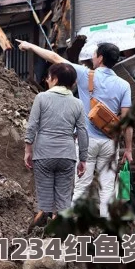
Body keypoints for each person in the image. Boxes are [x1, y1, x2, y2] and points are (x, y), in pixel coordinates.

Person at [17, 40, 133, 219]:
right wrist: (129, 149)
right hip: (111, 142)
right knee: (108, 187)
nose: (92, 57)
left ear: (100, 58)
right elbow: (126, 120)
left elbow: (55, 58)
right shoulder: (124, 85)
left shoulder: (86, 75)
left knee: (81, 186)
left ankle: (74, 231)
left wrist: (30, 46)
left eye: (94, 54)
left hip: (87, 141)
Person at [25, 63, 88, 226]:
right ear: (73, 84)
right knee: (63, 195)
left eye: (48, 77)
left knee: (45, 191)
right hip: (67, 154)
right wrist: (83, 159)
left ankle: (43, 215)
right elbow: (82, 132)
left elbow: (32, 125)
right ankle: (58, 221)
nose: (46, 80)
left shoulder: (41, 98)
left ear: (55, 79)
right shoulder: (78, 104)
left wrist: (28, 149)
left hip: (44, 152)